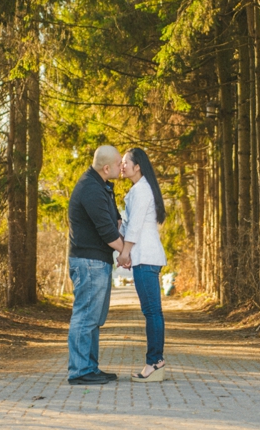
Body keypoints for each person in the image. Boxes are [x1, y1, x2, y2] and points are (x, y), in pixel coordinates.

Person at [67, 145, 125, 386]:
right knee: (85, 316)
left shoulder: (102, 186)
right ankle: (80, 371)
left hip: (97, 261)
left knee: (94, 317)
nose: (123, 167)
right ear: (106, 167)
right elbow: (107, 230)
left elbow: (116, 220)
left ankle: (90, 367)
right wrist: (126, 253)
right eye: (119, 163)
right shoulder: (91, 188)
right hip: (88, 262)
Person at [117, 147, 168, 382]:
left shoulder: (141, 190)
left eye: (126, 162)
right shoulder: (140, 189)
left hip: (145, 257)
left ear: (137, 166)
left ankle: (155, 363)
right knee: (152, 312)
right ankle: (155, 361)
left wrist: (125, 253)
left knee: (151, 312)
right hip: (144, 258)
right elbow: (129, 225)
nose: (122, 165)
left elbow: (135, 226)